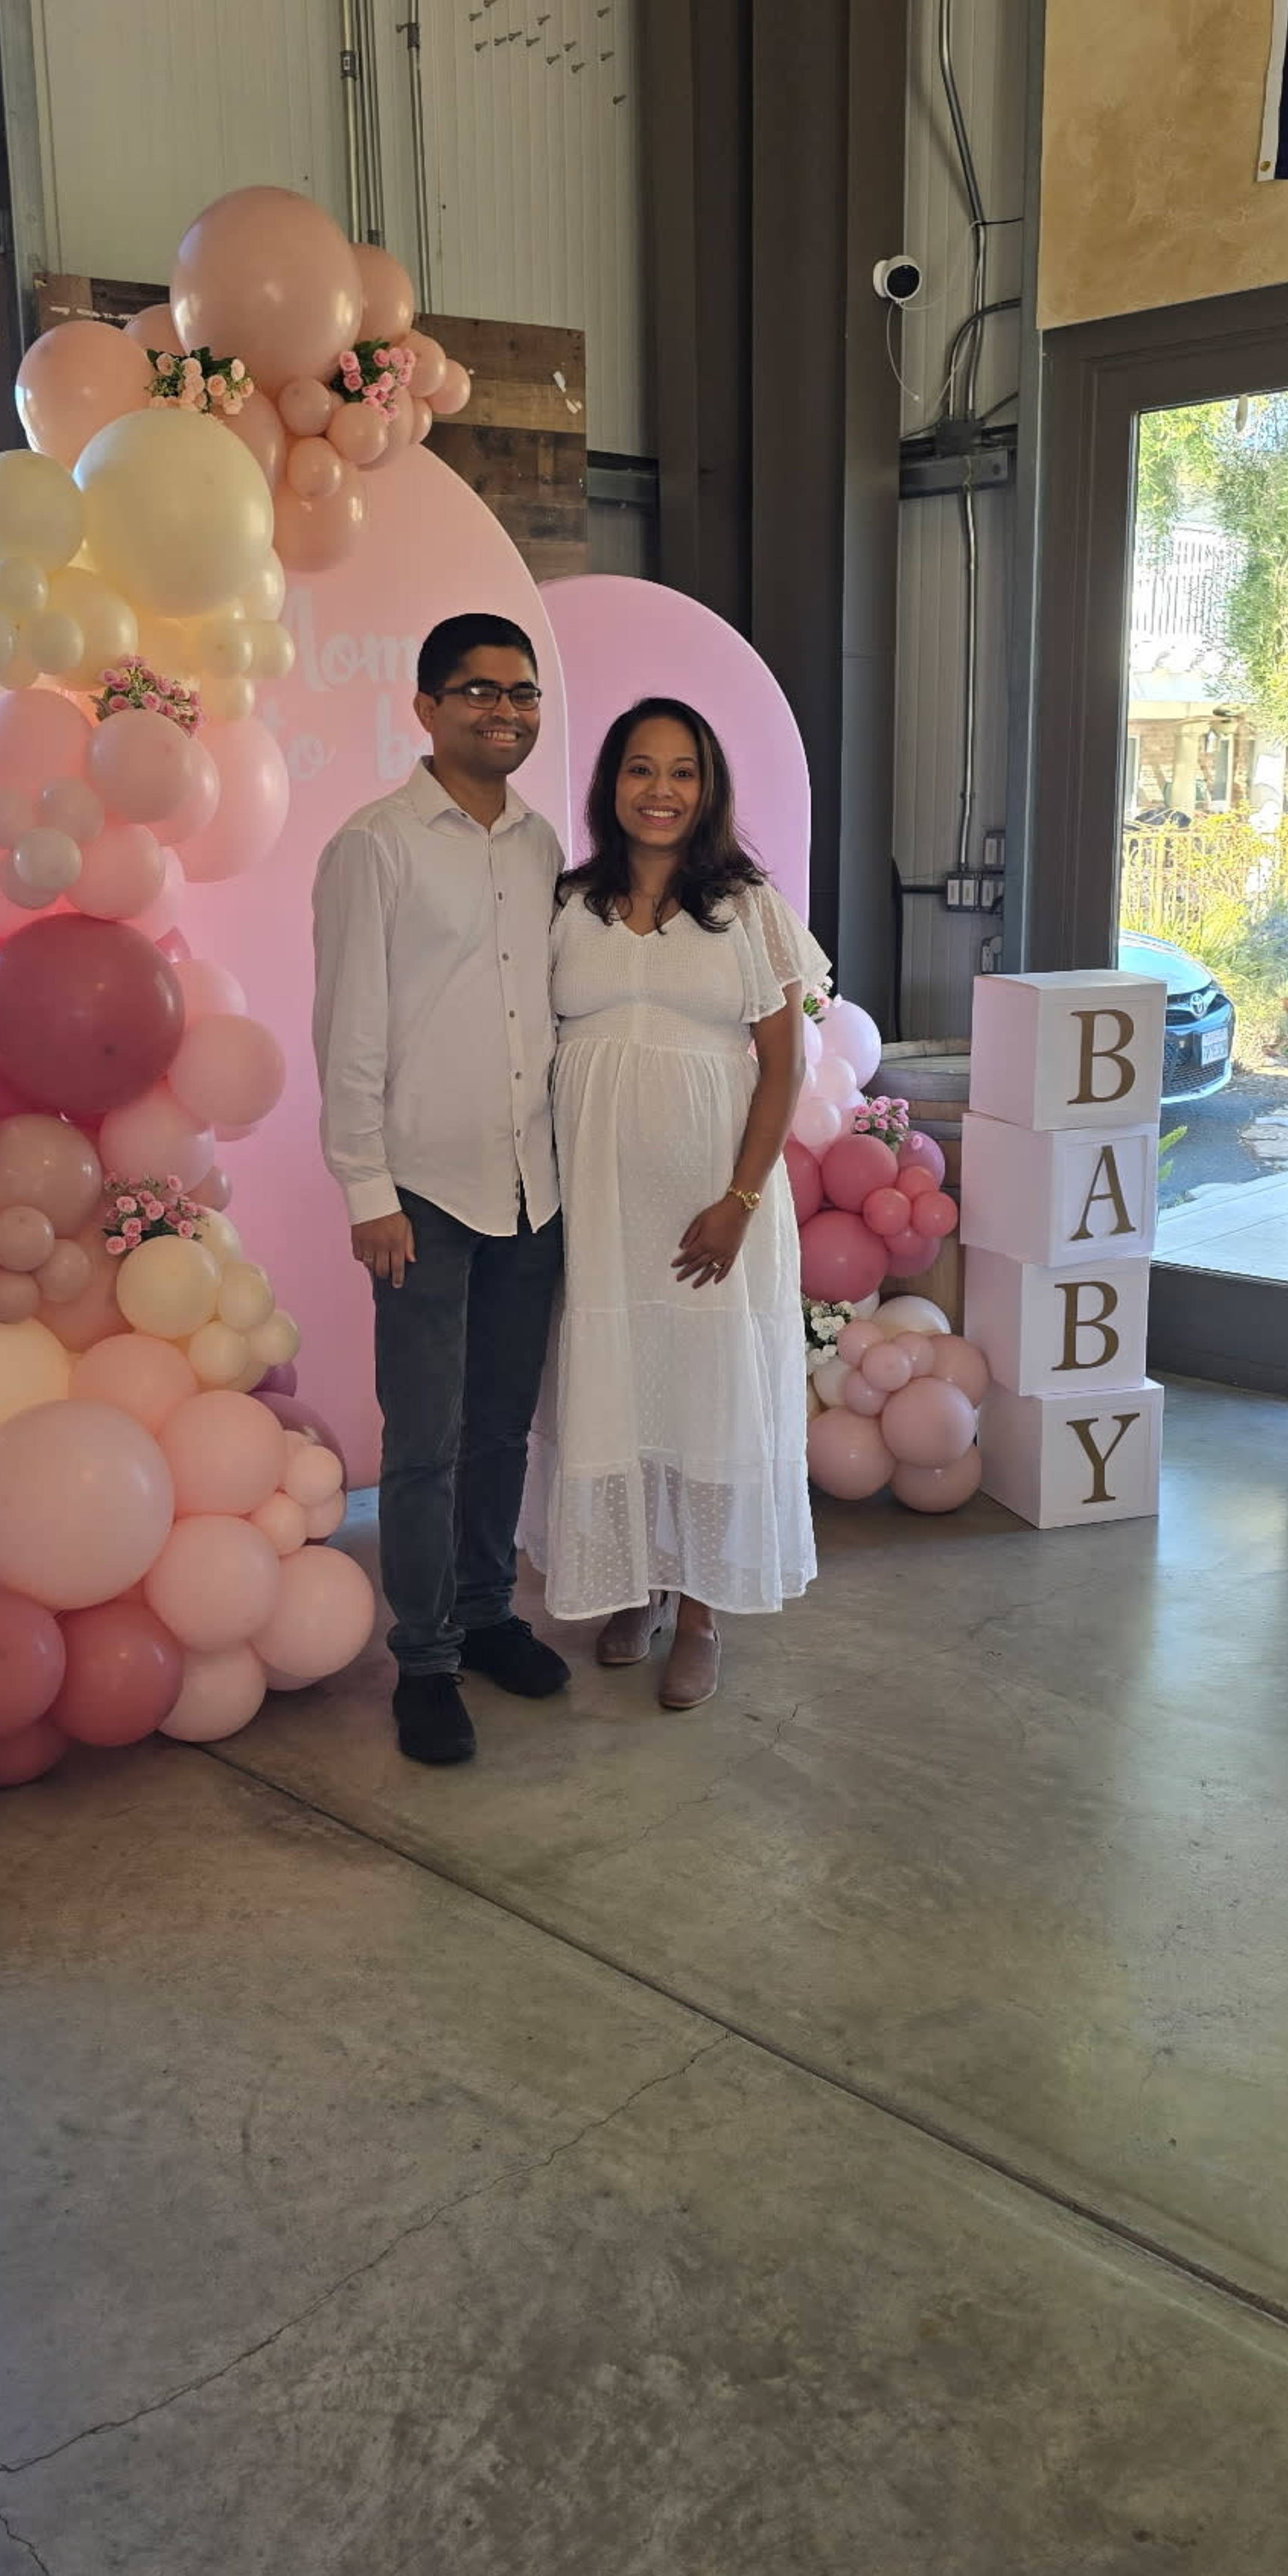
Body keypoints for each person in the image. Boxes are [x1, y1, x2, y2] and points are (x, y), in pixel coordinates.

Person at [521, 699, 825, 1709]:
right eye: (640, 769)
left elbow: (781, 1067)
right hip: (601, 1207)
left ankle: (700, 1610)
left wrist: (741, 1198)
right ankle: (637, 1586)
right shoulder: (566, 904)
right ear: (611, 784)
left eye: (683, 771)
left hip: (713, 1201)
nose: (661, 791)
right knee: (620, 1381)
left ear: (709, 789)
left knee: (704, 1390)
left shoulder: (749, 910)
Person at [312, 612, 569, 1767]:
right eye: (477, 692)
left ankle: (485, 1613)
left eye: (520, 694)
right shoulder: (375, 845)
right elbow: (350, 1030)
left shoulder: (541, 846)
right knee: (423, 1438)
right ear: (425, 708)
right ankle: (422, 1660)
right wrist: (366, 1186)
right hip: (421, 1192)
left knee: (504, 1430)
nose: (503, 712)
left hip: (534, 1188)